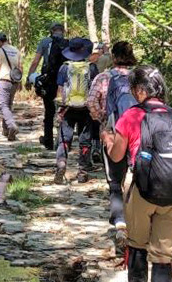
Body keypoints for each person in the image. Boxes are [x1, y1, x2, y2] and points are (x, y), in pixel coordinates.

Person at [101, 65, 172, 282]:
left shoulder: (131, 116)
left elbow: (117, 157)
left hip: (141, 188)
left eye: (133, 89)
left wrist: (107, 138)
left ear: (140, 91)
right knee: (164, 254)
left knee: (137, 244)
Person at [87, 41, 138, 235]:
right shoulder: (139, 77)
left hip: (113, 131)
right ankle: (138, 217)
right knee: (138, 174)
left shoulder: (104, 77)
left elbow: (91, 102)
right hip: (139, 132)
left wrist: (102, 118)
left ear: (114, 57)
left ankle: (119, 220)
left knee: (115, 181)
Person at [53, 37, 97, 184]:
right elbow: (95, 90)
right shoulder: (92, 67)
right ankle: (82, 171)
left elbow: (60, 90)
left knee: (64, 138)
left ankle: (61, 163)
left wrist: (60, 108)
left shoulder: (65, 67)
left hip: (68, 107)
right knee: (85, 140)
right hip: (86, 108)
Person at [24, 22, 67, 150]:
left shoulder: (45, 42)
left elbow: (36, 61)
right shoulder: (67, 43)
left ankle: (48, 140)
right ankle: (63, 142)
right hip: (64, 81)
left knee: (49, 112)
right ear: (62, 31)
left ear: (51, 31)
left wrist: (29, 77)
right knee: (64, 111)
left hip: (48, 80)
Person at [0, 31, 22, 141]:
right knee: (8, 105)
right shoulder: (16, 50)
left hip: (4, 80)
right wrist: (20, 82)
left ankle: (12, 125)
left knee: (3, 105)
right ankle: (6, 130)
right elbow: (20, 68)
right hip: (14, 81)